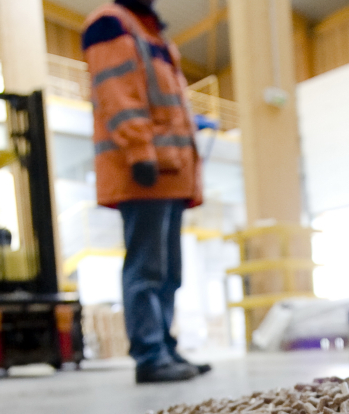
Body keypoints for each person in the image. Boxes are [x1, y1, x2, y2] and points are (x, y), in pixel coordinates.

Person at [82, 0, 211, 383]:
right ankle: (149, 354)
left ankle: (165, 348)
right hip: (144, 169)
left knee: (170, 271)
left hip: (172, 170)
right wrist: (139, 149)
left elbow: (165, 104)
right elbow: (117, 92)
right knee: (146, 268)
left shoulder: (154, 34)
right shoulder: (111, 24)